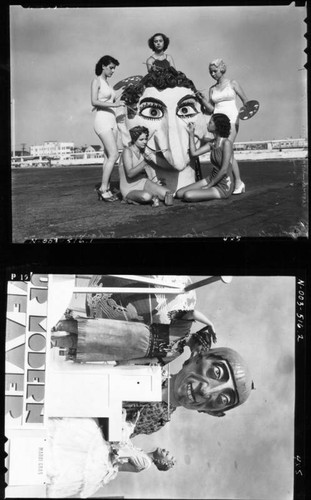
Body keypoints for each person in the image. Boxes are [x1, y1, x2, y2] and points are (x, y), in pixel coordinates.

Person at [124, 346, 253, 437]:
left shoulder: (157, 421)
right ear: (197, 356)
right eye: (216, 372)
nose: (205, 392)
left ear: (211, 412)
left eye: (223, 399)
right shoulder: (148, 361)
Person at [46, 415, 175, 498]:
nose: (166, 451)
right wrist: (130, 426)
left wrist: (124, 431)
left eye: (167, 455)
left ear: (160, 462)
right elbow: (126, 447)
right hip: (108, 456)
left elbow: (120, 453)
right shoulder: (143, 454)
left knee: (71, 452)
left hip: (105, 460)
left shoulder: (145, 462)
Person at [51, 309, 216, 366]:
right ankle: (56, 326)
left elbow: (153, 361)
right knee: (95, 331)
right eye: (203, 349)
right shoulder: (184, 327)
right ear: (201, 340)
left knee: (91, 345)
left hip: (132, 351)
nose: (200, 353)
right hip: (138, 333)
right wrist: (211, 324)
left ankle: (53, 341)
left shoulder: (177, 353)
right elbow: (193, 313)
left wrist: (127, 362)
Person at [197, 58, 249, 194]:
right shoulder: (212, 89)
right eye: (210, 72)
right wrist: (201, 99)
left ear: (221, 69)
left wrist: (246, 113)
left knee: (228, 150)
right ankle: (232, 181)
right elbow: (209, 109)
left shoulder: (233, 83)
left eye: (214, 71)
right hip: (218, 121)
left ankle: (238, 182)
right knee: (228, 152)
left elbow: (246, 102)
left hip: (232, 119)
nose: (213, 74)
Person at [175, 113, 234, 202]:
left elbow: (224, 170)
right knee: (179, 193)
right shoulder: (212, 143)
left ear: (217, 126)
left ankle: (211, 190)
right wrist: (191, 133)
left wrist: (209, 185)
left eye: (210, 122)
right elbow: (194, 153)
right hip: (211, 179)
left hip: (223, 185)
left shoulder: (226, 143)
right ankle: (206, 190)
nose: (207, 124)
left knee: (188, 195)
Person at [91, 55, 125, 201]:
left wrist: (121, 95)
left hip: (112, 120)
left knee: (107, 157)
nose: (112, 71)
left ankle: (107, 188)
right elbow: (93, 101)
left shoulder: (108, 84)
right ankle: (103, 188)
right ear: (103, 66)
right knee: (114, 155)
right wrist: (114, 104)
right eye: (111, 67)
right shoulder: (96, 81)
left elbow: (111, 100)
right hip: (102, 120)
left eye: (114, 68)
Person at [119, 125, 173, 206]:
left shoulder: (142, 150)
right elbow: (130, 174)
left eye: (145, 139)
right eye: (141, 139)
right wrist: (145, 162)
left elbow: (144, 172)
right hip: (129, 188)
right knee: (146, 196)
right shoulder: (127, 151)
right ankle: (127, 198)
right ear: (134, 139)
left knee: (168, 194)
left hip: (143, 182)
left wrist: (154, 183)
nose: (144, 142)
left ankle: (152, 196)